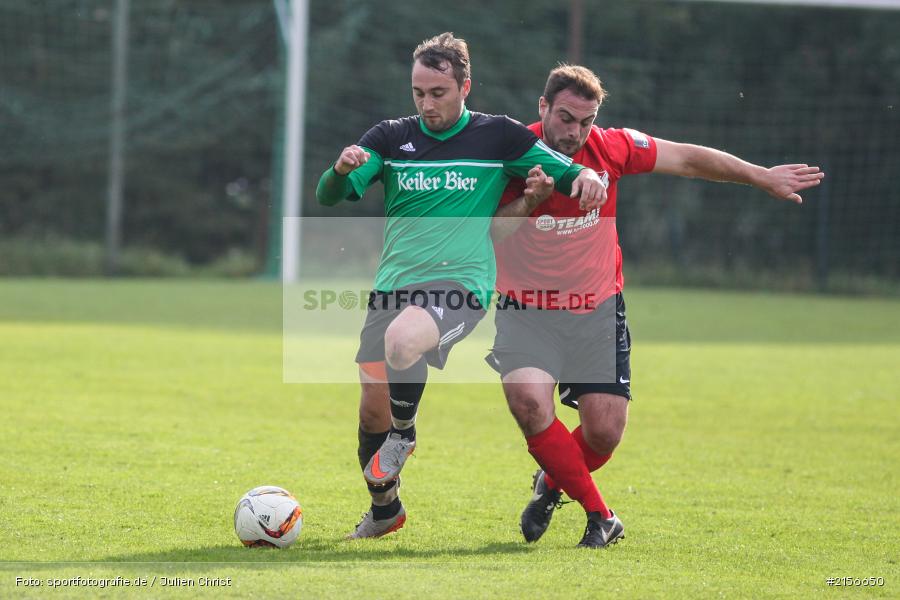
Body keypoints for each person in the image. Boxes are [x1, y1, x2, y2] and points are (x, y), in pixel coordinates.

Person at [487, 64, 824, 548]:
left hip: (596, 309)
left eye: (586, 121)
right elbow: (489, 235)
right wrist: (531, 200)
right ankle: (602, 516)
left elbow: (687, 158)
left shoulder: (611, 147)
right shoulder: (510, 154)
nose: (575, 131)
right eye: (565, 118)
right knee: (528, 403)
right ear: (542, 108)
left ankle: (552, 483)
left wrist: (760, 177)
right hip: (526, 311)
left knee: (603, 433)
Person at [315, 35, 609, 539]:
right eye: (419, 92)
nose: (427, 104)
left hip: (461, 283)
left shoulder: (500, 137)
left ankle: (404, 436)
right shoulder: (390, 137)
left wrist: (587, 180)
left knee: (402, 343)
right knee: (371, 406)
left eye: (438, 92)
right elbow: (329, 195)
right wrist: (340, 172)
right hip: (393, 286)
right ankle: (386, 510)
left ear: (464, 87)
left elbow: (565, 169)